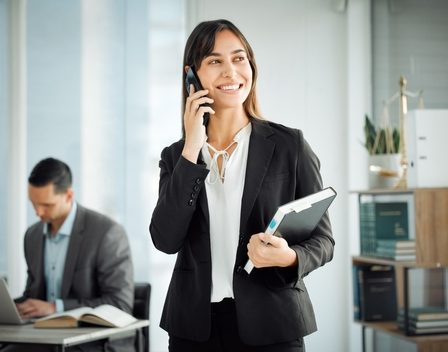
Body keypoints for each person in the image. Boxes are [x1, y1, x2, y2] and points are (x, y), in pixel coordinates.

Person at [149, 19, 335, 352]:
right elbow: (165, 239)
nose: (231, 72)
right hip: (194, 330)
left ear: (251, 66)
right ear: (192, 76)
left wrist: (290, 257)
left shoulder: (289, 145)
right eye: (215, 61)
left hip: (273, 324)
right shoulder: (176, 156)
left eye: (239, 58)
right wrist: (192, 149)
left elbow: (323, 240)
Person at [3, 157, 135, 352]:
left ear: (68, 195)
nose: (38, 212)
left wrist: (56, 308)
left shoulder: (107, 233)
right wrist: (14, 307)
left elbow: (120, 304)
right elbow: (33, 293)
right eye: (34, 203)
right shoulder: (32, 235)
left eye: (47, 205)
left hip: (91, 342)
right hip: (43, 338)